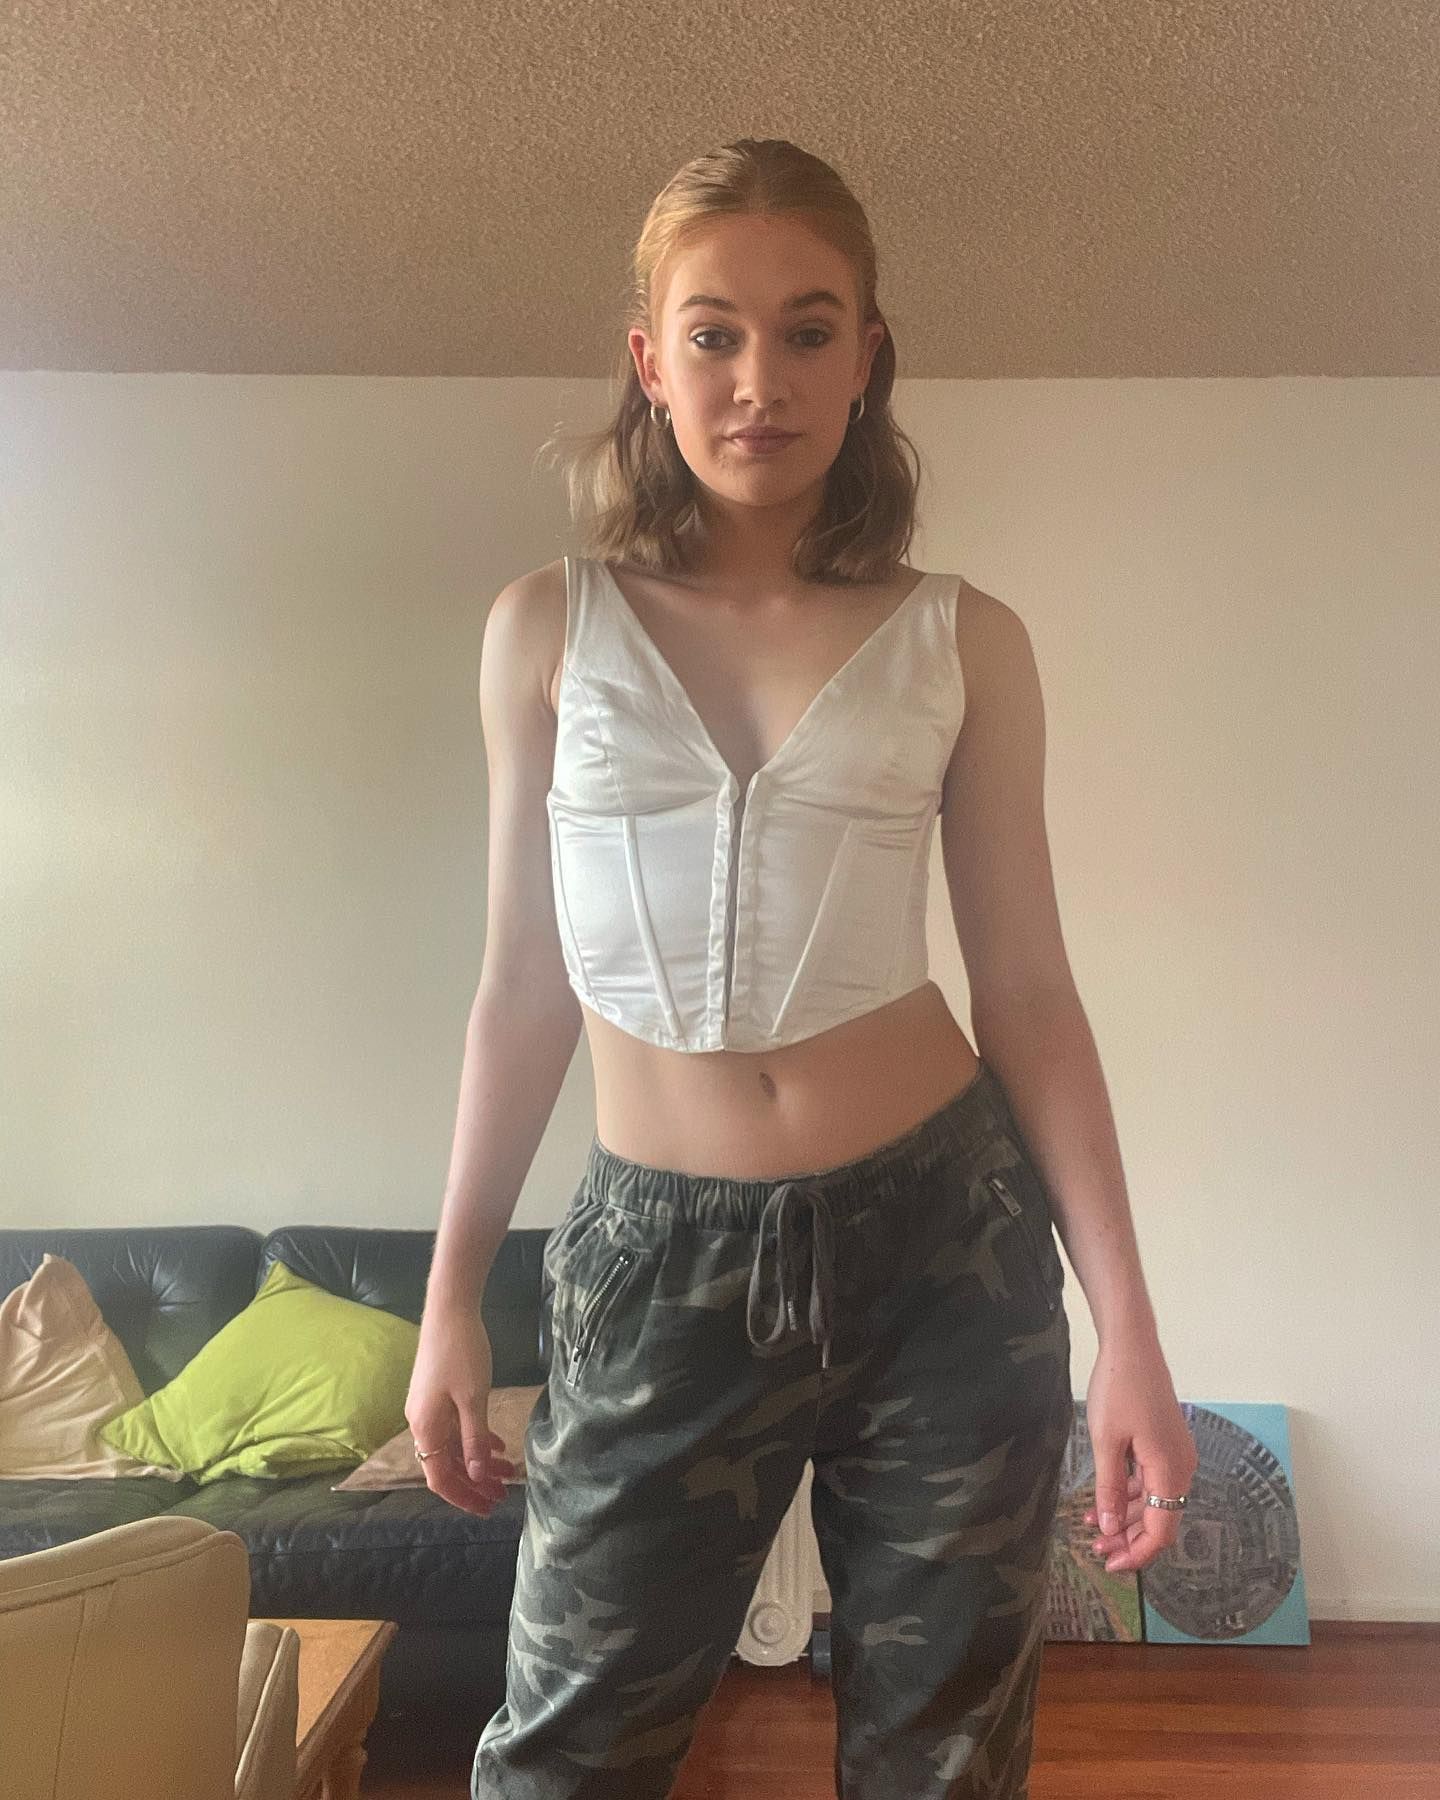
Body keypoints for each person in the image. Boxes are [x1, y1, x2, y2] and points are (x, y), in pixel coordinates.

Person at [408, 137, 1197, 1800]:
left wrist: (1127, 1320)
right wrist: (450, 1300)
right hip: (654, 1263)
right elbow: (523, 990)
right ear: (650, 358)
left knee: (945, 1763)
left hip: (946, 1249)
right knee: (561, 1760)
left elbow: (1029, 995)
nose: (759, 379)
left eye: (808, 329)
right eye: (715, 333)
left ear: (866, 356)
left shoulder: (965, 639)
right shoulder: (544, 630)